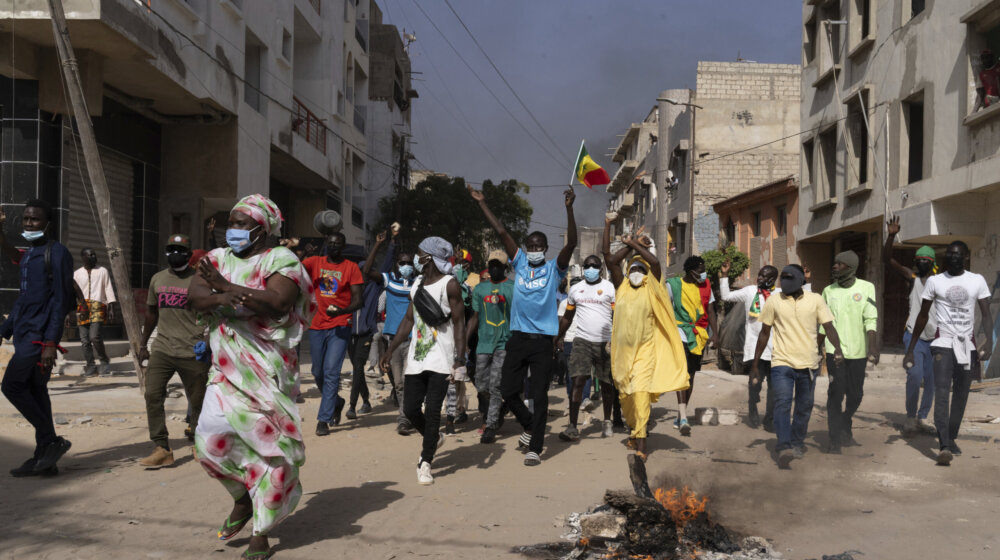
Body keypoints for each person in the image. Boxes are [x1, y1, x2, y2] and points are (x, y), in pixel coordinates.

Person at [188, 194, 313, 559]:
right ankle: (242, 499)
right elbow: (195, 297)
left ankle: (262, 529)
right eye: (232, 222)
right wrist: (233, 298)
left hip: (268, 368)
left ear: (263, 229)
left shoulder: (281, 260)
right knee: (208, 441)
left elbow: (277, 303)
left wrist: (224, 289)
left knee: (269, 448)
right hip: (226, 367)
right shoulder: (215, 260)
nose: (233, 230)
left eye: (242, 224)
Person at [470, 185, 577, 466]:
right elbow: (502, 232)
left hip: (543, 341)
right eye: (530, 247)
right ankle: (530, 425)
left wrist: (569, 209)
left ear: (545, 249)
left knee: (539, 395)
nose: (533, 250)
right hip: (517, 339)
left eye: (538, 247)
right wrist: (482, 204)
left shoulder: (554, 269)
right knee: (506, 390)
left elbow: (572, 244)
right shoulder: (519, 264)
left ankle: (536, 447)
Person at [380, 237, 466, 485]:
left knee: (432, 412)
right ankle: (433, 438)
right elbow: (408, 319)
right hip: (417, 358)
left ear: (428, 257)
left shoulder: (450, 285)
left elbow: (459, 323)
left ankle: (425, 461)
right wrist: (390, 349)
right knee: (409, 408)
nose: (416, 260)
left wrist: (459, 359)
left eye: (419, 255)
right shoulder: (416, 283)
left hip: (442, 358)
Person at [0, 200, 76, 477]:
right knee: (36, 392)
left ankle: (52, 441)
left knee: (11, 387)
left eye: (35, 220)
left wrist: (50, 344)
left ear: (48, 224)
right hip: (24, 332)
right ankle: (45, 460)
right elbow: (24, 298)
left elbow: (60, 300)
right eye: (26, 219)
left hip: (38, 338)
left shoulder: (57, 254)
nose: (29, 224)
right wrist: (5, 330)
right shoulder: (31, 254)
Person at [604, 221, 688, 460]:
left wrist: (635, 245)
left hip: (645, 353)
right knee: (626, 397)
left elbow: (656, 263)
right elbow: (611, 261)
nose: (637, 273)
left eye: (641, 270)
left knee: (640, 395)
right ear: (627, 272)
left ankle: (641, 447)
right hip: (622, 356)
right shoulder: (621, 287)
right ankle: (635, 430)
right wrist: (628, 246)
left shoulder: (654, 288)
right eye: (633, 269)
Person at [904, 241, 994, 466]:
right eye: (950, 254)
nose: (954, 257)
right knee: (942, 391)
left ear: (966, 257)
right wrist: (911, 348)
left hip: (968, 346)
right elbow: (922, 316)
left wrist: (988, 343)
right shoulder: (935, 281)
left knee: (962, 394)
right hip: (943, 343)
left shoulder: (977, 280)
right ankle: (943, 444)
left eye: (958, 254)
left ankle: (951, 436)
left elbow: (986, 314)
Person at [752, 264, 845, 469]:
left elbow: (828, 326)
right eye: (783, 281)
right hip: (781, 363)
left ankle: (796, 442)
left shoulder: (816, 300)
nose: (786, 285)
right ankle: (784, 445)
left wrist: (837, 349)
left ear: (801, 281)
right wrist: (755, 364)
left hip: (809, 364)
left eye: (790, 281)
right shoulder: (774, 301)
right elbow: (764, 333)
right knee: (782, 403)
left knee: (804, 407)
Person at [136, 234, 210, 469]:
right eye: (171, 249)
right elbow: (151, 313)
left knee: (199, 401)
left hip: (192, 351)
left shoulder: (199, 281)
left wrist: (208, 341)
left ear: (189, 255)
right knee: (152, 395)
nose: (174, 253)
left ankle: (200, 443)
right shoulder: (157, 279)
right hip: (163, 348)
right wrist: (143, 344)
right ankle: (162, 448)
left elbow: (212, 313)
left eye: (180, 250)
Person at [302, 231, 364, 436]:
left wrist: (342, 311)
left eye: (337, 243)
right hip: (317, 325)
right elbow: (295, 269)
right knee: (317, 372)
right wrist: (301, 252)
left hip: (340, 324)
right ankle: (337, 402)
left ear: (343, 246)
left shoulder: (351, 268)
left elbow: (358, 300)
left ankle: (323, 419)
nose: (333, 246)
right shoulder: (315, 262)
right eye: (330, 243)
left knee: (331, 372)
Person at [819, 251, 879, 454]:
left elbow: (870, 318)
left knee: (856, 394)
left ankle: (846, 420)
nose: (834, 266)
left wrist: (872, 345)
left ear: (851, 267)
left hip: (858, 352)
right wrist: (817, 348)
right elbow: (824, 324)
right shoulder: (828, 291)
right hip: (834, 351)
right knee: (835, 394)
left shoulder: (866, 287)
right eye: (834, 263)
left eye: (840, 264)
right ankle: (834, 440)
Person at [883, 217, 938, 435]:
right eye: (919, 259)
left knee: (932, 381)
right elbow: (887, 260)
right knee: (914, 377)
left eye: (926, 259)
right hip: (913, 337)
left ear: (933, 262)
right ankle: (910, 416)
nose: (922, 262)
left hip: (936, 338)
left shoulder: (940, 281)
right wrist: (891, 236)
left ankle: (923, 417)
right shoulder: (912, 277)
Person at [557, 253, 616, 441]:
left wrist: (617, 338)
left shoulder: (609, 287)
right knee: (578, 381)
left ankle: (607, 421)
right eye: (588, 266)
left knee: (606, 384)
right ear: (583, 269)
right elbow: (568, 317)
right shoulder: (575, 289)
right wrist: (557, 337)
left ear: (601, 269)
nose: (591, 269)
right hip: (581, 340)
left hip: (604, 342)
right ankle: (572, 427)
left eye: (595, 266)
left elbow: (618, 315)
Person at [365, 232, 417, 435]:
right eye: (403, 262)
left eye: (409, 263)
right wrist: (378, 245)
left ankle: (407, 417)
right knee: (399, 384)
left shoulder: (418, 282)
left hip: (414, 340)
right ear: (397, 264)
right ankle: (405, 418)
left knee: (410, 380)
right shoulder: (390, 281)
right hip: (394, 340)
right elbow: (368, 271)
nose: (406, 266)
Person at [719, 261, 779, 430]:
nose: (759, 278)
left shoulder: (781, 294)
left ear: (773, 279)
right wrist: (724, 275)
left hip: (776, 349)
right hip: (755, 349)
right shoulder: (750, 291)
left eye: (764, 276)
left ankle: (769, 419)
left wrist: (807, 282)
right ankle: (753, 410)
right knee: (755, 384)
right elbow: (726, 296)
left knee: (775, 388)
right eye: (759, 274)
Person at [665, 255, 719, 435]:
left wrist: (715, 335)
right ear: (691, 271)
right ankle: (682, 417)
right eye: (700, 271)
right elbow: (664, 309)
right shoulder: (673, 285)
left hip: (699, 336)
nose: (703, 274)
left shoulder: (706, 286)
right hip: (680, 333)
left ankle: (682, 414)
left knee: (691, 375)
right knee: (683, 374)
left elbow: (711, 311)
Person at [466, 249, 514, 444]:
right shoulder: (480, 289)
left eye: (498, 265)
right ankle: (501, 406)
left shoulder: (512, 288)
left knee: (494, 385)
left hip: (505, 341)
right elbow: (475, 317)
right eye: (491, 265)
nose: (494, 268)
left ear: (505, 268)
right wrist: (464, 342)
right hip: (483, 342)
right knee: (481, 383)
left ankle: (491, 425)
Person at [347, 231, 396, 420]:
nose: (363, 274)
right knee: (357, 369)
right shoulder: (350, 287)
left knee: (358, 368)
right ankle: (366, 401)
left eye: (365, 271)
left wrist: (388, 244)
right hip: (349, 334)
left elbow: (385, 264)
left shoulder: (374, 287)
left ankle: (352, 406)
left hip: (366, 333)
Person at [74, 247, 117, 376]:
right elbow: (73, 293)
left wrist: (111, 307)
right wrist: (68, 311)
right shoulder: (76, 274)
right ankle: (91, 365)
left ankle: (104, 360)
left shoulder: (103, 271)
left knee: (94, 336)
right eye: (90, 255)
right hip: (82, 307)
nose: (93, 257)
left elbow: (108, 288)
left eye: (94, 255)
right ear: (83, 257)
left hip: (98, 305)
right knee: (84, 340)